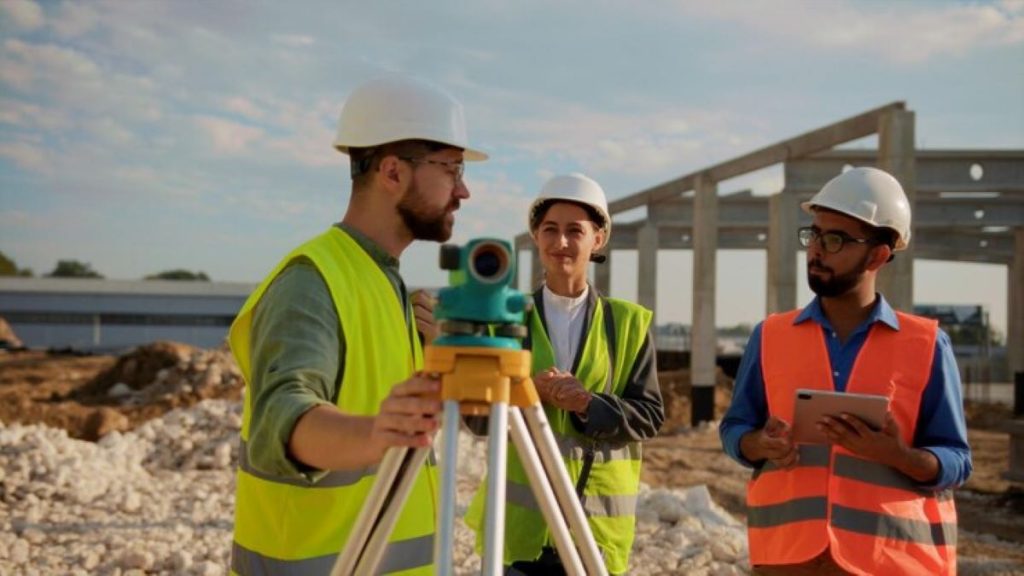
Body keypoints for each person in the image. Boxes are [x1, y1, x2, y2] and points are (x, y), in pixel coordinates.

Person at [227, 75, 487, 575]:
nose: (464, 190)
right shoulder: (311, 281)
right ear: (392, 172)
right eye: (452, 168)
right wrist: (376, 433)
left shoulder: (388, 285)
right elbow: (282, 418)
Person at [719, 167, 972, 575]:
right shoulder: (770, 336)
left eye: (834, 240)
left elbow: (957, 459)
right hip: (789, 559)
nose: (816, 250)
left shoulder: (926, 344)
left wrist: (898, 456)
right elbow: (735, 429)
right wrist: (758, 444)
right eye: (814, 235)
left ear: (877, 256)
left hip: (889, 561)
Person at [465, 173, 665, 575]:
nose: (561, 242)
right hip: (520, 532)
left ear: (598, 239)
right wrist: (528, 392)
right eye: (550, 230)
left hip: (594, 532)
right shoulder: (505, 320)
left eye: (575, 231)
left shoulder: (627, 324)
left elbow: (649, 416)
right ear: (535, 237)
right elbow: (476, 417)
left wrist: (588, 404)